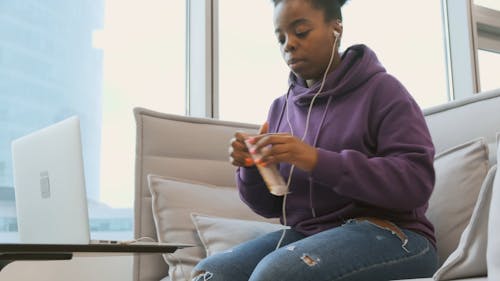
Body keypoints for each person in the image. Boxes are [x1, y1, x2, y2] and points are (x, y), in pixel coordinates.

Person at [192, 0, 438, 280]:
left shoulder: (384, 91)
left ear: (336, 29)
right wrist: (252, 168)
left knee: (276, 275)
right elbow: (270, 207)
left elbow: (416, 183)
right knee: (212, 273)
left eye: (302, 31)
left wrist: (315, 159)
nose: (289, 44)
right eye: (281, 37)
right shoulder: (280, 108)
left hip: (394, 234)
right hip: (309, 234)